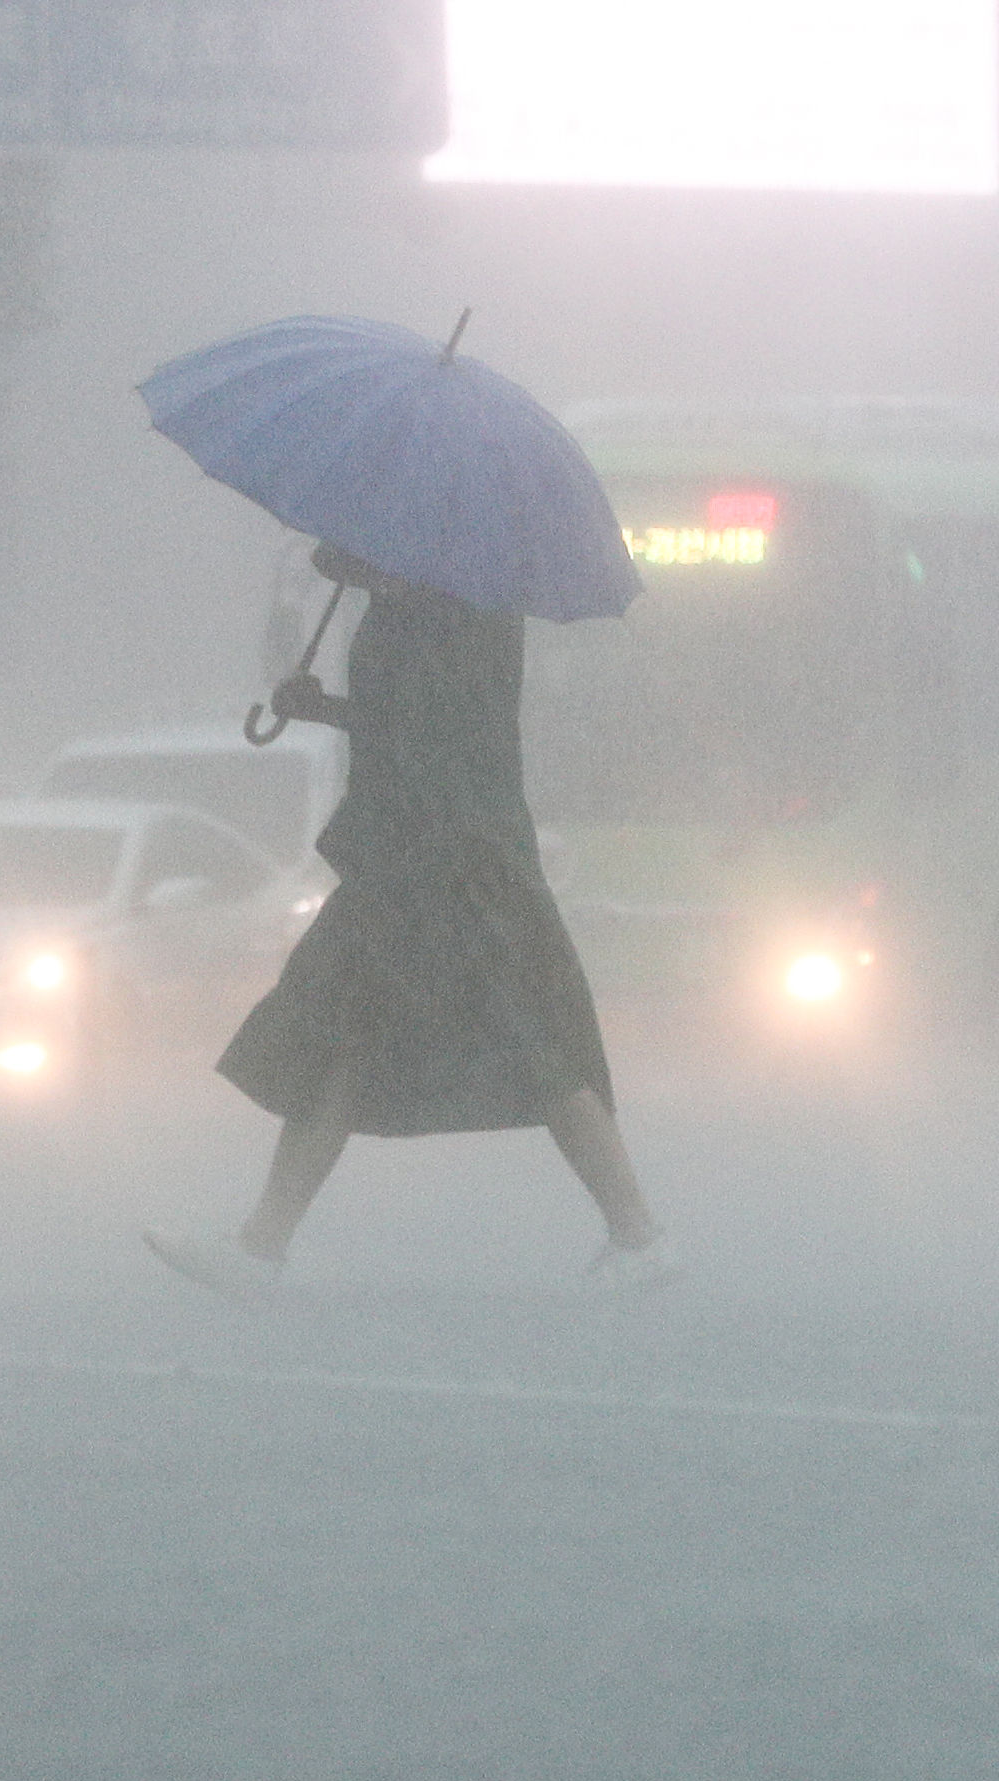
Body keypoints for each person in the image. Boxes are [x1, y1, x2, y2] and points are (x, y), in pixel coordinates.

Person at [146, 540, 670, 1298]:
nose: (334, 552)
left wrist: (337, 712)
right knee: (355, 1042)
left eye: (352, 539)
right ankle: (261, 1244)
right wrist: (322, 705)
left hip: (443, 862)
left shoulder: (450, 611)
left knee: (514, 1040)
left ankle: (640, 1232)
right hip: (430, 856)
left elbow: (433, 734)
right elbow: (416, 725)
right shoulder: (437, 604)